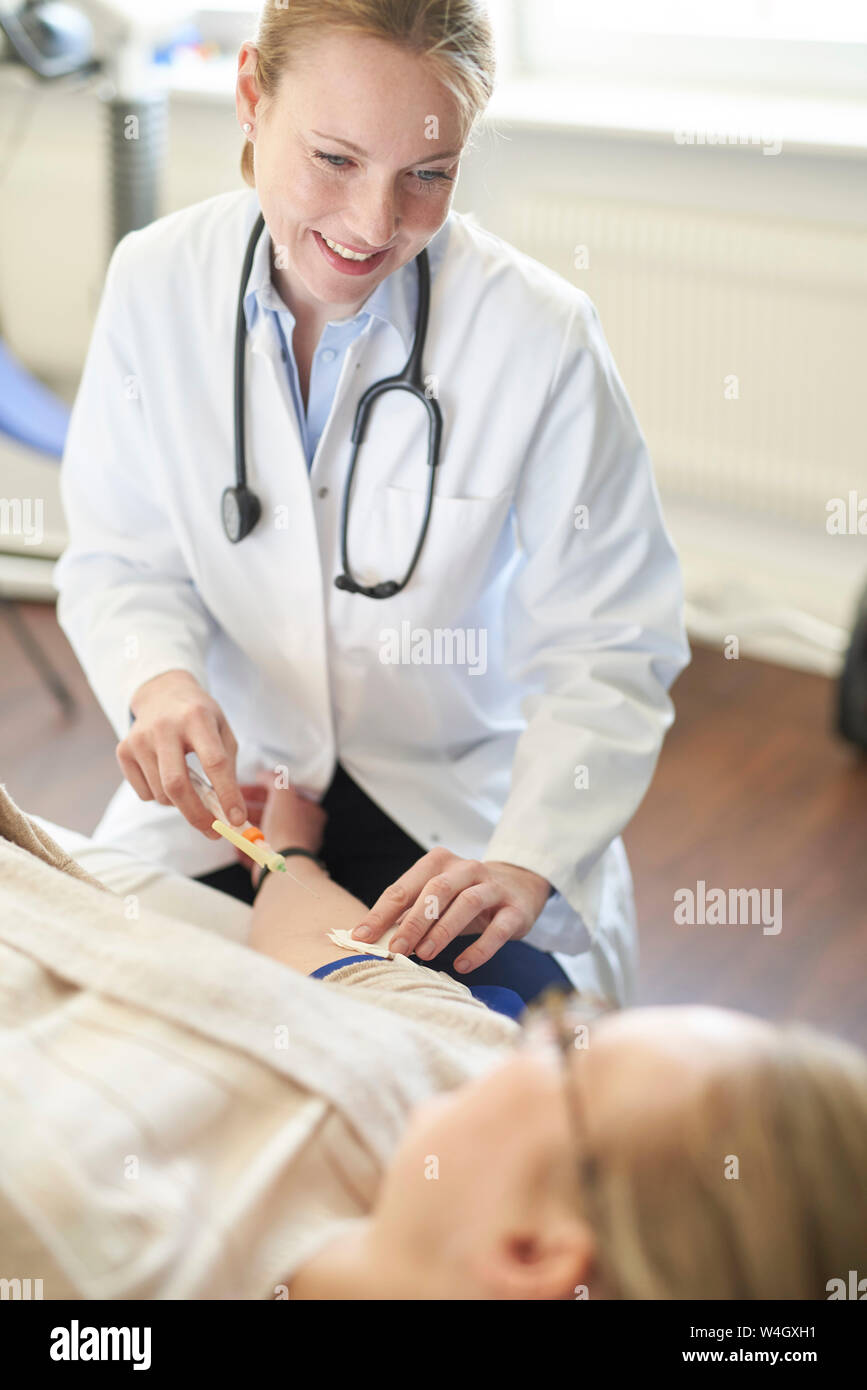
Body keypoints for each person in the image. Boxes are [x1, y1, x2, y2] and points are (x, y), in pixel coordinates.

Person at [52, 0, 690, 1009]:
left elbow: (611, 646)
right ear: (253, 95)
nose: (370, 224)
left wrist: (526, 858)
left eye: (426, 175)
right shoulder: (156, 282)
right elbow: (120, 560)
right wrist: (162, 684)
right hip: (239, 793)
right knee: (108, 1010)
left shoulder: (541, 337)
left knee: (490, 1075)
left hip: (456, 809)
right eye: (335, 159)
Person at [1, 778, 864, 1300]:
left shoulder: (94, 1257)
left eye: (567, 1055)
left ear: (531, 1253)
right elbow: (340, 958)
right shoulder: (464, 1063)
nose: (533, 1031)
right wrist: (284, 851)